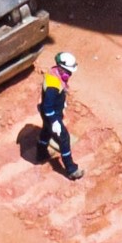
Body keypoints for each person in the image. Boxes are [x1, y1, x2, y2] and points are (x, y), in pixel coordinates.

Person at [38, 50, 81, 179]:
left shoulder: (55, 75)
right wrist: (55, 121)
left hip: (50, 114)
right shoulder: (53, 84)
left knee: (46, 131)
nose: (70, 74)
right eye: (68, 71)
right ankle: (71, 169)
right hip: (51, 115)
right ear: (61, 68)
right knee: (64, 138)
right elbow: (47, 106)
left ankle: (41, 153)